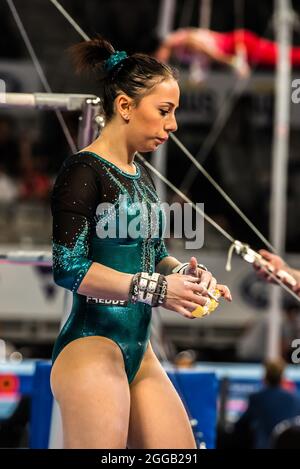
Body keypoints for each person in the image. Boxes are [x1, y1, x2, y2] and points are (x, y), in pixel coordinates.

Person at [50, 36, 232, 449]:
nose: (173, 125)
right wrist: (156, 289)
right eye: (165, 111)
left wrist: (185, 276)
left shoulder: (142, 177)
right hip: (91, 345)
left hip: (139, 351)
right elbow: (69, 267)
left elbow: (156, 256)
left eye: (174, 113)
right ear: (125, 106)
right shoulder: (83, 172)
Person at [155, 28, 300, 80]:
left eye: (157, 57)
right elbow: (206, 56)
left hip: (239, 44)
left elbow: (211, 53)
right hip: (238, 46)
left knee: (287, 57)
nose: (161, 60)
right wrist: (200, 70)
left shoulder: (183, 40)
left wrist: (233, 61)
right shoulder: (178, 51)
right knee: (286, 56)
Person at [233, 359, 300, 448]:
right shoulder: (295, 398)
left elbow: (240, 425)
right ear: (282, 378)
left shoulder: (257, 398)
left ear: (265, 378)